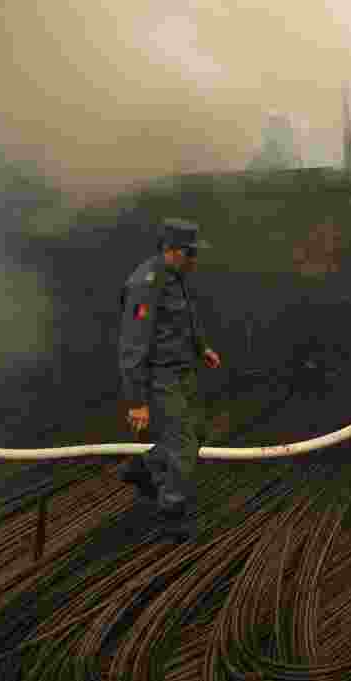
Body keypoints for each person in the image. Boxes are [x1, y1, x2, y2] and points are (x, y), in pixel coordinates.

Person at [116, 217, 222, 539]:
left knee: (197, 432)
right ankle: (172, 514)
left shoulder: (174, 276)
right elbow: (133, 346)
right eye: (191, 253)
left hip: (184, 369)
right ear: (172, 250)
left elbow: (183, 319)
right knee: (182, 442)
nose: (195, 260)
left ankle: (146, 468)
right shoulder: (146, 284)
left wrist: (202, 348)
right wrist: (137, 402)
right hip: (163, 377)